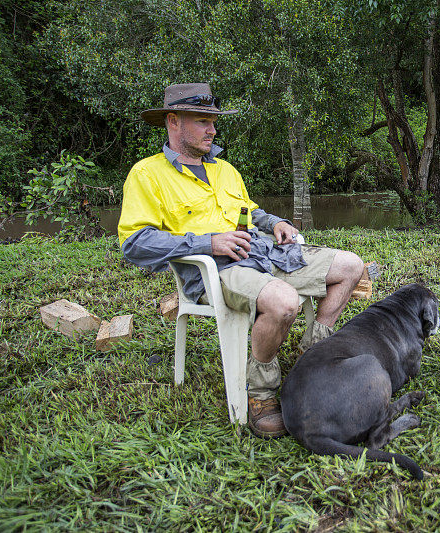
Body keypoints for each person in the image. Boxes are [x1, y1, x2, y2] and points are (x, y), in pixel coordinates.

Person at [118, 83, 364, 438]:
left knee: (351, 267)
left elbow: (249, 211)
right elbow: (135, 243)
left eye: (214, 121)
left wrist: (275, 222)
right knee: (283, 302)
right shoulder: (147, 175)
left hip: (260, 254)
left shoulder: (225, 170)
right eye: (203, 121)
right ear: (173, 121)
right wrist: (209, 242)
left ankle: (312, 356)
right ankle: (260, 394)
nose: (213, 130)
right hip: (215, 272)